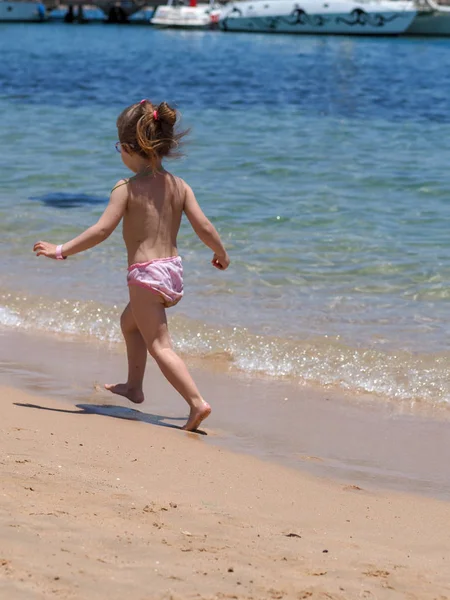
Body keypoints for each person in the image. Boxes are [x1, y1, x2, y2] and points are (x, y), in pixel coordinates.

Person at [33, 99, 230, 431]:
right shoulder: (180, 186)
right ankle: (134, 387)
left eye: (117, 149)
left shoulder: (126, 188)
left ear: (127, 148)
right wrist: (221, 252)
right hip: (171, 272)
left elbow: (101, 230)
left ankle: (197, 402)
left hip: (145, 275)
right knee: (129, 324)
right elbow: (205, 227)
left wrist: (61, 250)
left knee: (160, 345)